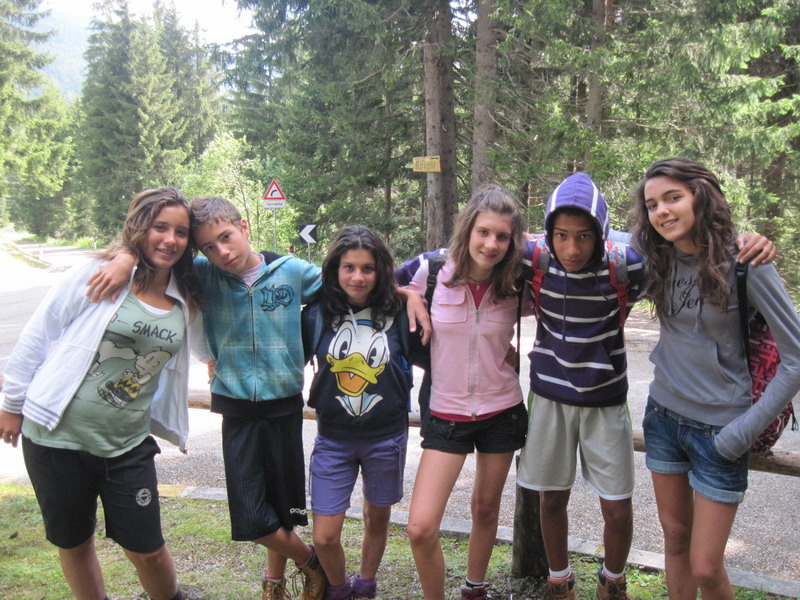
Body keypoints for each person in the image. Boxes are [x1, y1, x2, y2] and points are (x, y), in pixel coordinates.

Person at [87, 196, 429, 600]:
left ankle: (274, 584)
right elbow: (157, 253)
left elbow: (353, 280)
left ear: (244, 227)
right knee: (250, 514)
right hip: (235, 406)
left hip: (284, 405)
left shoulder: (292, 272)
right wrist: (125, 257)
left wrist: (407, 295)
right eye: (209, 247)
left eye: (226, 237)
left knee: (282, 509)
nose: (222, 252)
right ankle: (310, 560)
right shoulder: (202, 273)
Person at [0, 188, 204, 600]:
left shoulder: (188, 295)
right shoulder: (98, 273)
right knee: (75, 542)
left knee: (148, 550)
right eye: (160, 227)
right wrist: (11, 405)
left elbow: (234, 265)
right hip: (54, 437)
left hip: (126, 445)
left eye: (181, 232)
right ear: (140, 227)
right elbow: (40, 333)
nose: (170, 239)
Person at [630, 157, 800, 600]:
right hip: (663, 418)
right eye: (652, 204)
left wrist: (741, 433)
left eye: (673, 197)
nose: (662, 211)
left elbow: (796, 358)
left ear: (700, 196)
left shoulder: (746, 262)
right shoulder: (656, 257)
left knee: (706, 566)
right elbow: (585, 237)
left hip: (722, 431)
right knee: (674, 540)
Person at [398, 185, 531, 600]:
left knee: (485, 509)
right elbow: (370, 279)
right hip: (446, 412)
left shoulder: (518, 281)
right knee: (420, 527)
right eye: (483, 232)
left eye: (502, 236)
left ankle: (475, 588)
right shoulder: (432, 269)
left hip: (502, 410)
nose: (491, 244)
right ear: (468, 228)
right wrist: (408, 295)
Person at [516, 172, 645, 600]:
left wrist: (741, 243)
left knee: (618, 506)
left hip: (606, 400)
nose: (572, 249)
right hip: (549, 398)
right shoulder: (534, 258)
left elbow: (682, 252)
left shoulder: (626, 265)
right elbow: (470, 247)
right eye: (562, 235)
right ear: (548, 233)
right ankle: (560, 582)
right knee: (551, 500)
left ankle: (613, 582)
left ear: (601, 233)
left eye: (584, 236)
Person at [302, 225, 413, 600]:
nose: (358, 277)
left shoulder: (399, 311)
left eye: (367, 268)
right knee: (324, 535)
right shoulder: (317, 313)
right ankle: (338, 588)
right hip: (333, 439)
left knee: (377, 518)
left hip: (387, 437)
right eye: (349, 267)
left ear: (380, 270)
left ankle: (365, 584)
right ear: (336, 268)